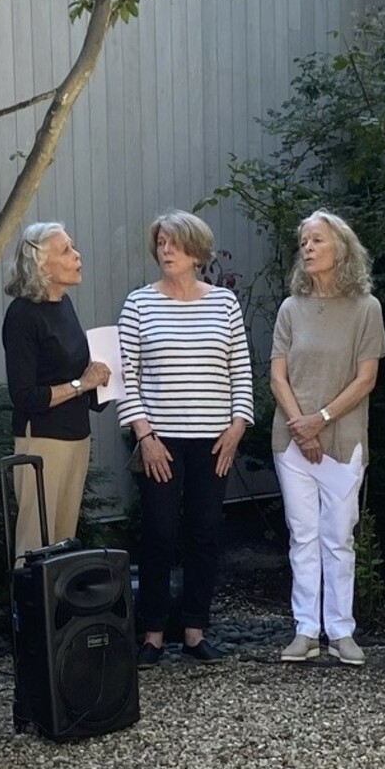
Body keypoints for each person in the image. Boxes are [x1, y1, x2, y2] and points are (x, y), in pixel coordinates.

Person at [118, 211, 252, 665]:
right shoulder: (138, 304)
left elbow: (241, 371)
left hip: (214, 440)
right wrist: (145, 435)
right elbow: (127, 378)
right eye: (160, 243)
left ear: (196, 251)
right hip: (160, 441)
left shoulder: (224, 304)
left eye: (174, 243)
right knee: (158, 534)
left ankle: (195, 630)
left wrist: (237, 427)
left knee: (205, 533)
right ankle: (152, 634)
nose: (166, 250)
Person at [270, 211, 385, 665]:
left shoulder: (366, 308)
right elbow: (277, 376)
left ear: (341, 248)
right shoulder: (289, 308)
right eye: (304, 240)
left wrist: (320, 419)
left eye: (317, 239)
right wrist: (302, 425)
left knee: (338, 536)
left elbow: (366, 379)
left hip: (343, 437)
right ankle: (305, 630)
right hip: (292, 439)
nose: (308, 247)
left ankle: (341, 630)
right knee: (302, 535)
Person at [2, 222, 111, 556]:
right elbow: (24, 395)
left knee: (64, 544)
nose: (77, 256)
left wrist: (104, 378)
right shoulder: (23, 315)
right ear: (41, 266)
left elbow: (76, 370)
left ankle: (57, 609)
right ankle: (30, 609)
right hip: (43, 440)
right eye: (66, 250)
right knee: (35, 544)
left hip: (77, 435)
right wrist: (82, 384)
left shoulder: (63, 305)